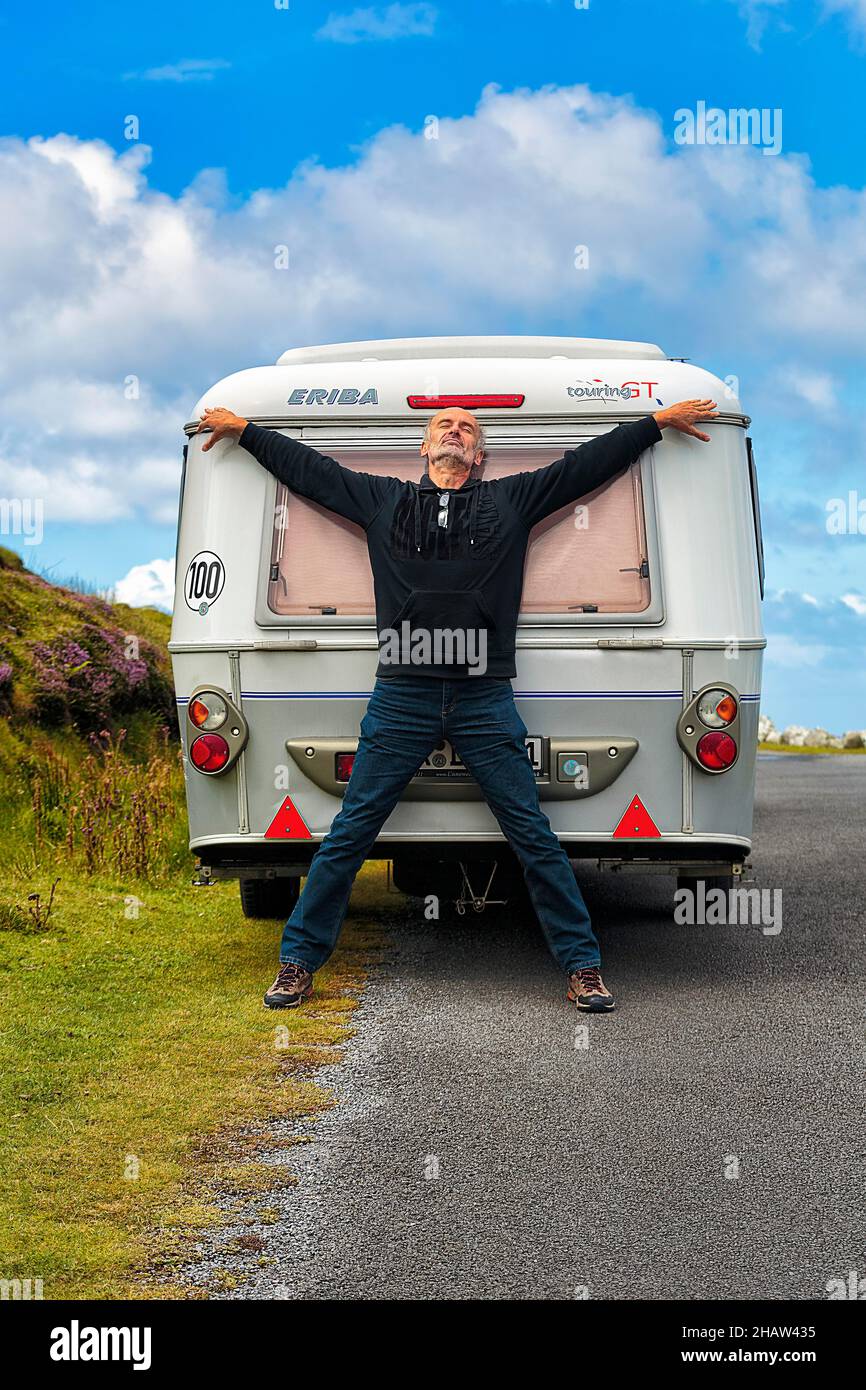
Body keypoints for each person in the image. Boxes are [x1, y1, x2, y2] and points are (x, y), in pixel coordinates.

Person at [196, 395, 718, 1013]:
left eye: (467, 427)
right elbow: (311, 472)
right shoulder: (384, 501)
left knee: (531, 833)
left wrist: (651, 425)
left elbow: (585, 466)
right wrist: (247, 430)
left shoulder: (511, 501)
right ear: (424, 446)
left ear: (478, 453)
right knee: (350, 833)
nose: (454, 429)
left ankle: (583, 967)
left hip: (483, 696)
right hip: (402, 696)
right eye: (443, 423)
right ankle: (296, 963)